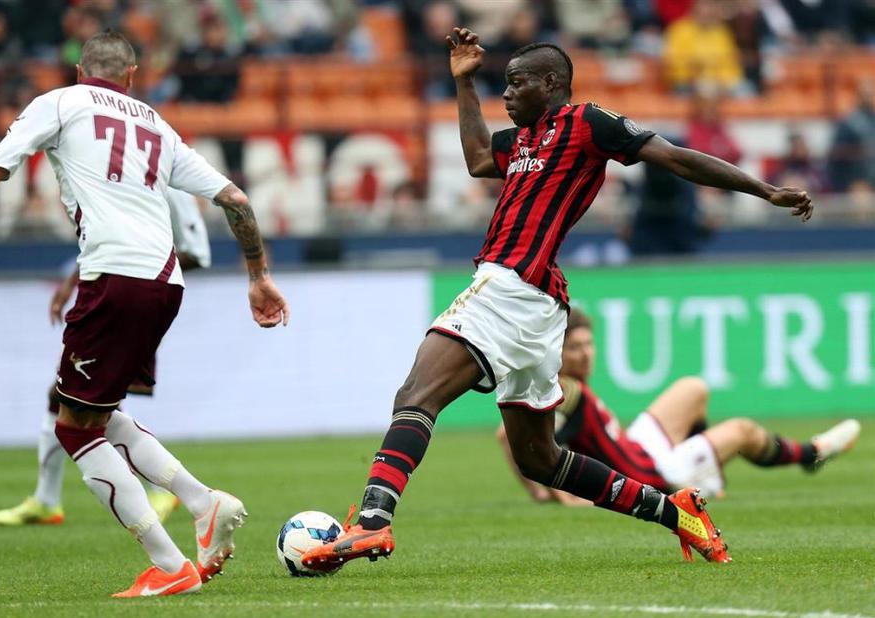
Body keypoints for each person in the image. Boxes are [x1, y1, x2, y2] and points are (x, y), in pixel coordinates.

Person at [300, 27, 813, 572]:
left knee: (416, 394)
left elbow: (676, 158)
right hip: (538, 304)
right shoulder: (521, 140)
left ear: (551, 83)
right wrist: (464, 83)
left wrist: (765, 190)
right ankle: (677, 512)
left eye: (516, 83)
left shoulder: (589, 123)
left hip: (510, 287)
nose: (507, 93)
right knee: (540, 460)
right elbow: (478, 157)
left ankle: (373, 522)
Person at [0, 31, 290, 598]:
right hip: (165, 285)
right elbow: (237, 201)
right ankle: (203, 502)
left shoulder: (59, 103)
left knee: (73, 430)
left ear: (80, 71)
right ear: (131, 75)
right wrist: (258, 276)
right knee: (94, 414)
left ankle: (169, 565)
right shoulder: (156, 124)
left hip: (113, 280)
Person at [0, 188, 211, 527]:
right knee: (73, 397)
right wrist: (72, 283)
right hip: (115, 297)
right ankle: (48, 499)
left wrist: (141, 270)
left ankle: (162, 491)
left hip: (137, 302)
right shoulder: (130, 177)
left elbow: (197, 253)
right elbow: (109, 244)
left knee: (89, 401)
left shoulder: (169, 183)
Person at [496, 309, 861, 504]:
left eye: (589, 344)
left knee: (693, 388)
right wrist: (557, 495)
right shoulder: (564, 390)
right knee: (742, 431)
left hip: (637, 448)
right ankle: (810, 453)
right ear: (557, 353)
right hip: (648, 475)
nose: (586, 354)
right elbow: (513, 438)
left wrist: (539, 493)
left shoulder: (573, 388)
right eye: (575, 348)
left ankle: (704, 475)